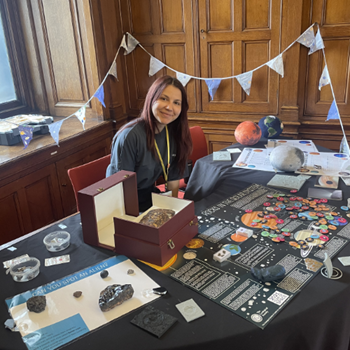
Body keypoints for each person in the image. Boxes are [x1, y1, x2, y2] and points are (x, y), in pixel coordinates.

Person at [106, 75, 192, 212]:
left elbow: (173, 179)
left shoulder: (175, 133)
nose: (170, 107)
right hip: (124, 204)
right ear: (151, 99)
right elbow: (120, 190)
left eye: (177, 103)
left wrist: (171, 212)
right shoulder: (130, 136)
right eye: (164, 99)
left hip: (150, 197)